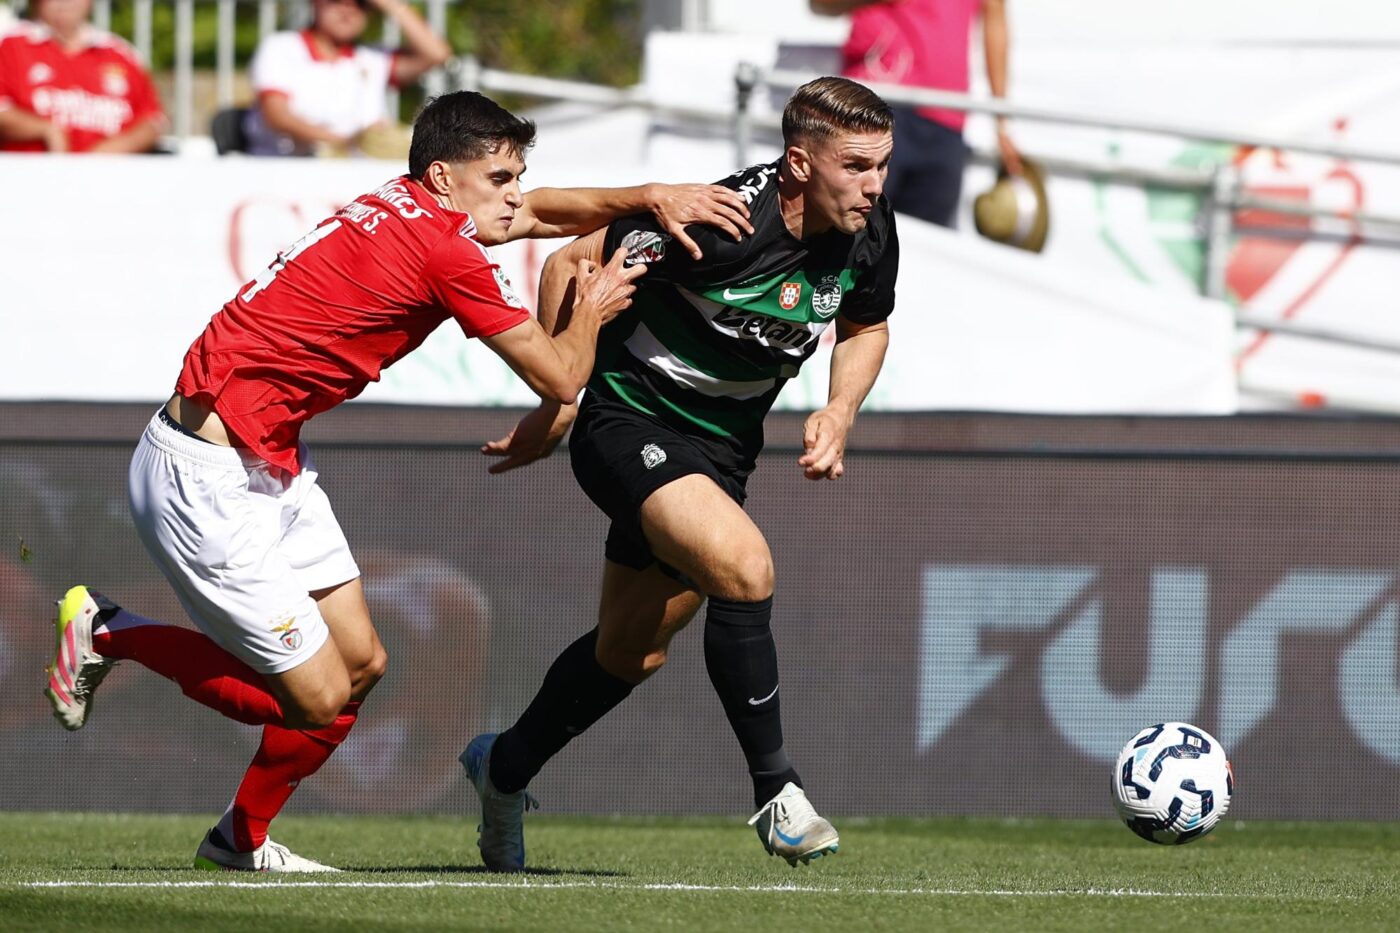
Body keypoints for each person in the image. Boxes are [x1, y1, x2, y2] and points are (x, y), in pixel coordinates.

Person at [42, 89, 752, 872]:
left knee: (361, 667)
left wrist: (647, 195)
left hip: (265, 454)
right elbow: (561, 375)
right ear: (446, 178)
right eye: (500, 177)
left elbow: (545, 212)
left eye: (518, 174)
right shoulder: (447, 252)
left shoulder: (408, 201)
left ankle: (238, 839)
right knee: (311, 697)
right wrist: (591, 305)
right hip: (204, 471)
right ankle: (111, 629)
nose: (516, 194)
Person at [461, 75, 899, 870]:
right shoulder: (720, 223)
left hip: (721, 453)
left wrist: (840, 409)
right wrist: (560, 405)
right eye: (858, 166)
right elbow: (570, 262)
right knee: (745, 564)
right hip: (628, 424)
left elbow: (866, 324)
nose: (875, 186)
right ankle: (779, 792)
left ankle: (502, 770)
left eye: (883, 166)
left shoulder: (869, 227)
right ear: (801, 163)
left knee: (632, 652)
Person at [811, 0, 1022, 228]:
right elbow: (820, 4)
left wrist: (1001, 123)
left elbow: (995, 18)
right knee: (842, 241)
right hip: (872, 108)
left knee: (925, 253)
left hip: (947, 121)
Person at [244, 0, 451, 157]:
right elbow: (276, 115)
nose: (348, 9)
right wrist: (346, 142)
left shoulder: (373, 59)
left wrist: (393, 6)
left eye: (361, 3)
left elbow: (437, 54)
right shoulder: (281, 47)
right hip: (285, 170)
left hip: (355, 180)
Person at [0, 0, 164, 153]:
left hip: (109, 178)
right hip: (26, 175)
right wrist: (44, 130)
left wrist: (111, 151)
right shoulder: (10, 44)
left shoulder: (121, 53)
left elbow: (152, 121)